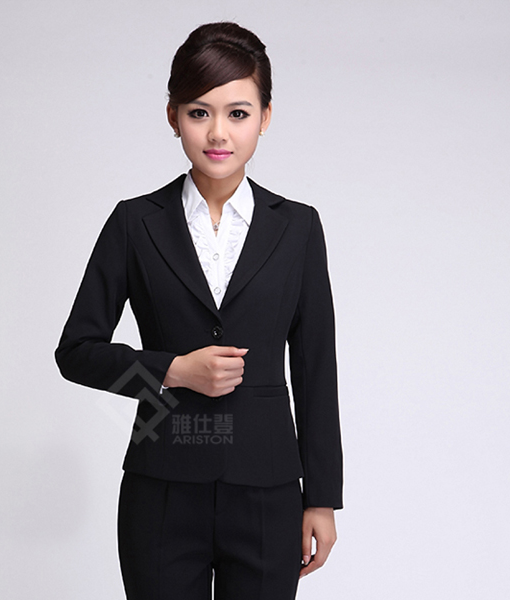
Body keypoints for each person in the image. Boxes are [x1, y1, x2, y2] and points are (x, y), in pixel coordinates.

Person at [55, 21, 343, 600]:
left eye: (238, 113)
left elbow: (316, 367)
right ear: (173, 116)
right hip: (162, 489)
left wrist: (322, 498)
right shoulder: (135, 223)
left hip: (267, 491)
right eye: (198, 112)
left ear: (265, 117)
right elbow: (76, 352)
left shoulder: (298, 227)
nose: (218, 133)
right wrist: (172, 370)